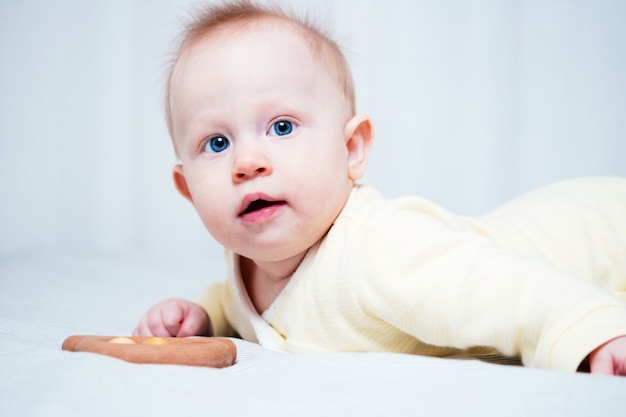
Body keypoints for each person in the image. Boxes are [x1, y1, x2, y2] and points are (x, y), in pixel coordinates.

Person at [133, 0, 626, 375]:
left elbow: (507, 292)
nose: (247, 162)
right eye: (216, 142)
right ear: (187, 187)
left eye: (281, 127)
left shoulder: (378, 250)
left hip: (601, 236)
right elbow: (238, 300)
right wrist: (203, 314)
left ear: (351, 150)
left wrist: (592, 332)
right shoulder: (250, 258)